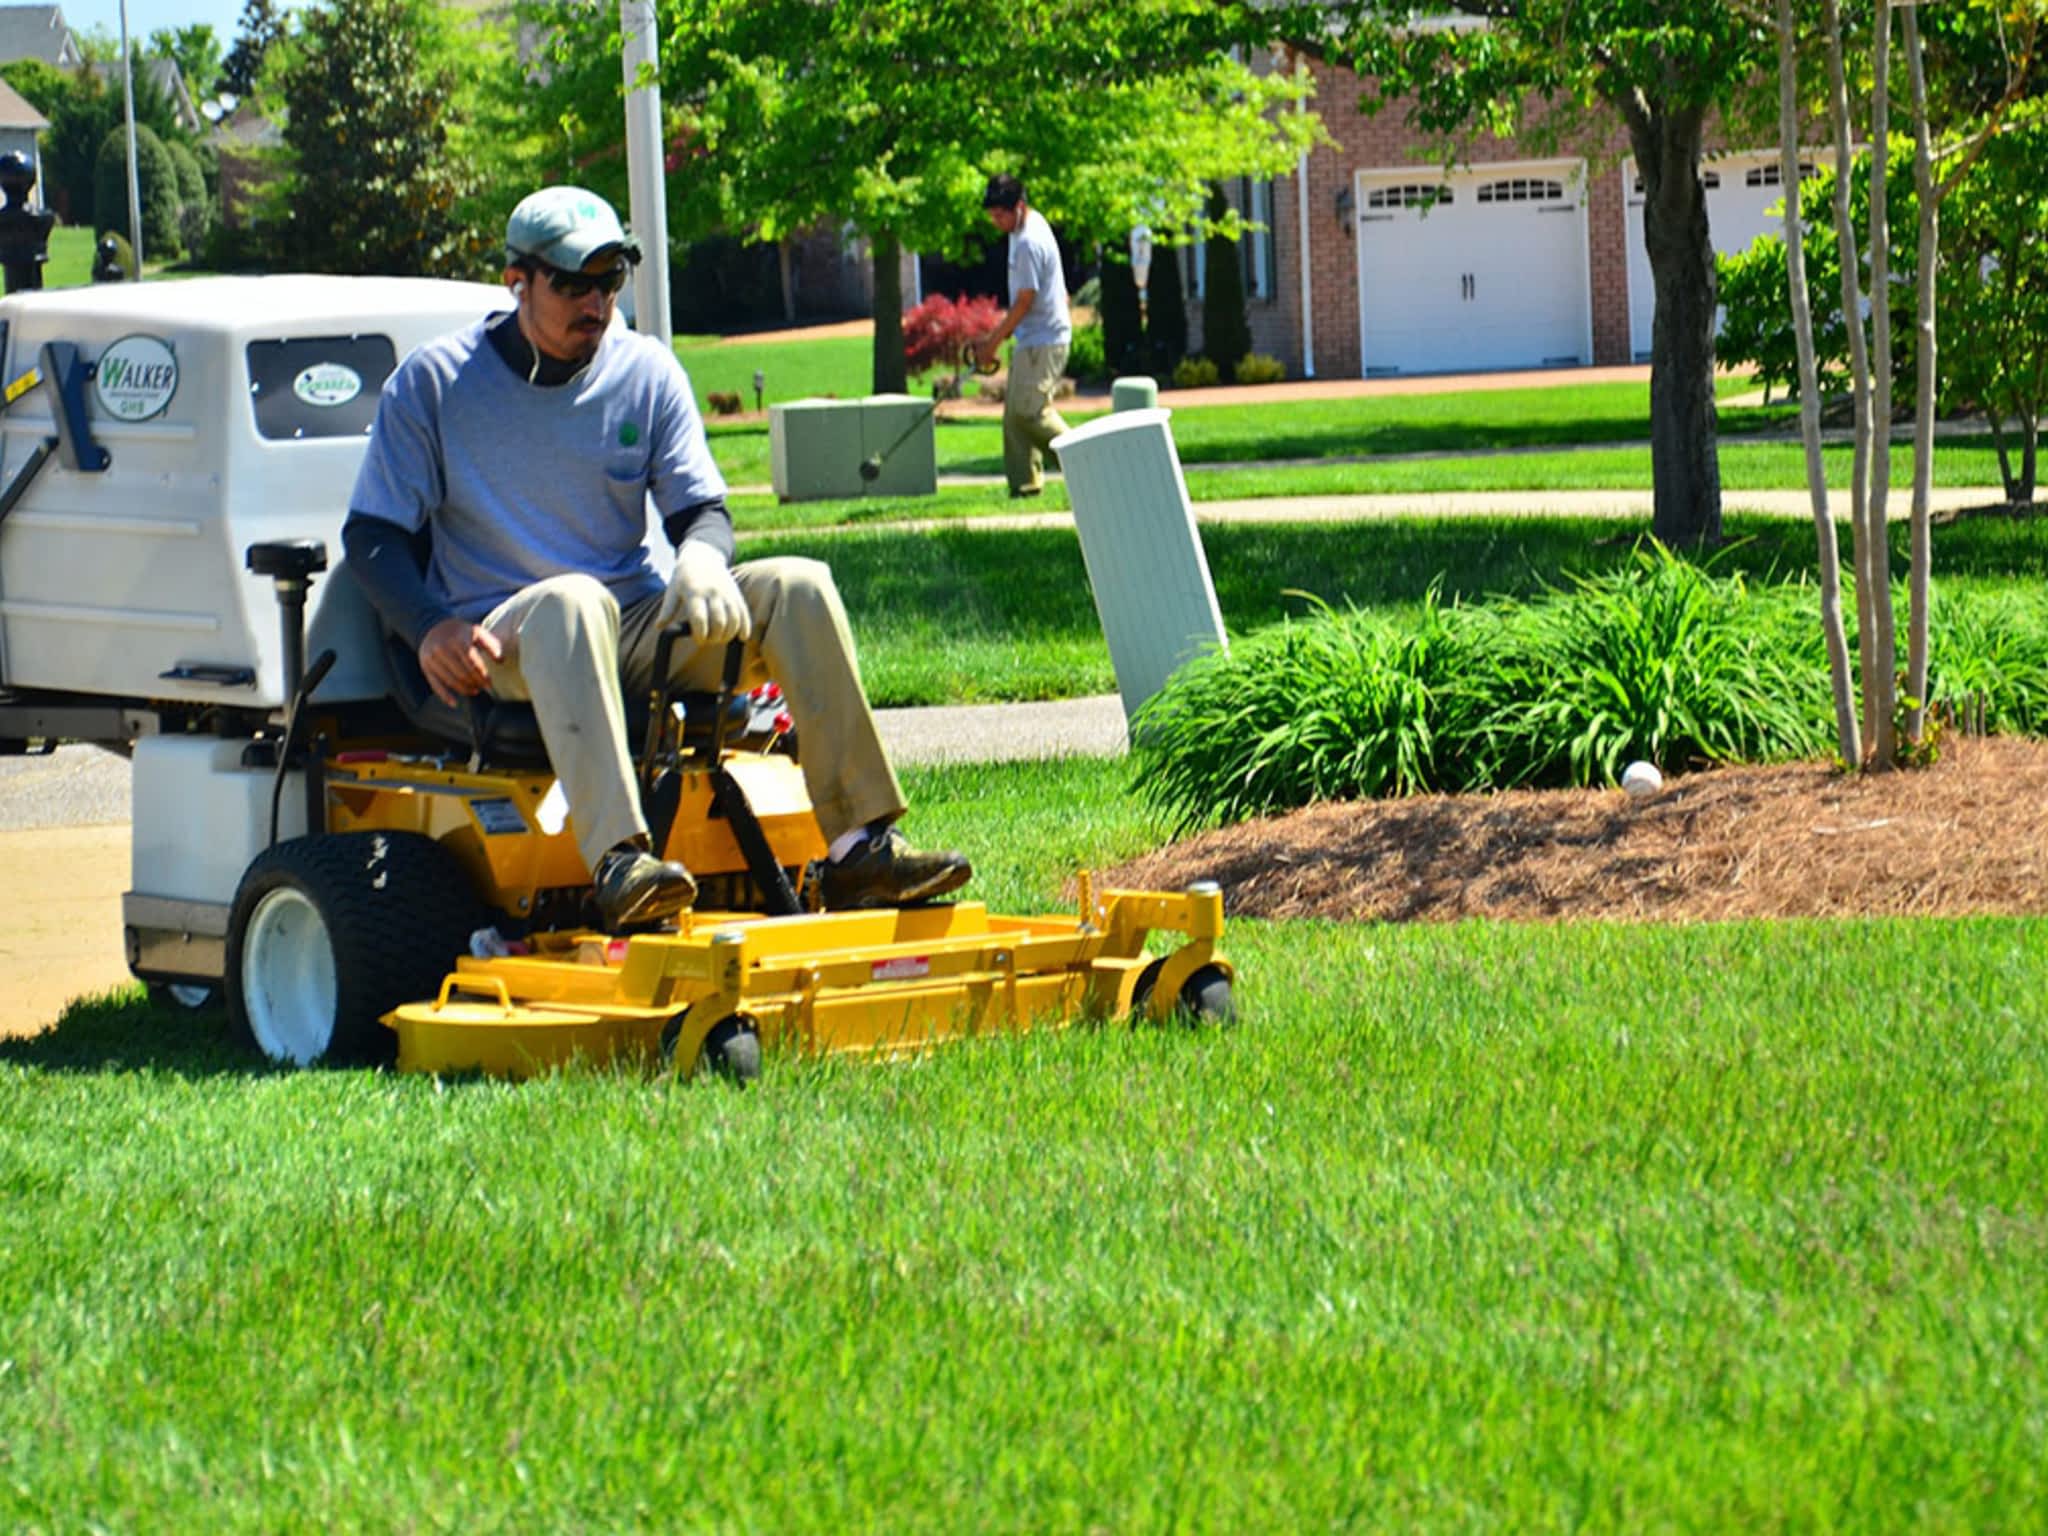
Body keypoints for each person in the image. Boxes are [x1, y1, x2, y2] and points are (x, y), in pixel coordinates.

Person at [343, 185, 971, 931]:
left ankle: (858, 848)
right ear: (518, 281)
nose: (596, 304)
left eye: (609, 282)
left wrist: (702, 562)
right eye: (573, 283)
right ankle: (620, 861)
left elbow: (700, 511)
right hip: (505, 637)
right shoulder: (435, 383)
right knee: (574, 600)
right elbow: (373, 535)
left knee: (800, 585)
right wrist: (427, 627)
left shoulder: (646, 371)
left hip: (631, 624)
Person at [972, 174, 1071, 498]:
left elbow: (1025, 300)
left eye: (1000, 214)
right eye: (992, 215)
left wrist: (992, 343)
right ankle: (1025, 486)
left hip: (1044, 340)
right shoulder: (1027, 225)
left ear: (1019, 207)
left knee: (1030, 412)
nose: (995, 221)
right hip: (1034, 337)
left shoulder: (1029, 242)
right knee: (1015, 415)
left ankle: (1086, 466)